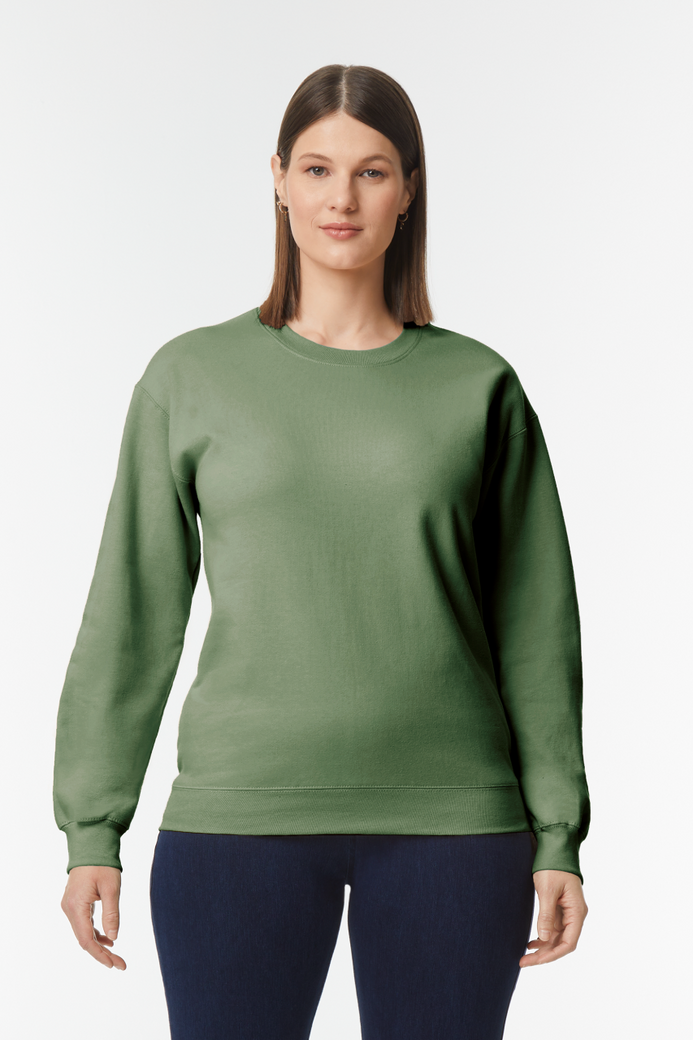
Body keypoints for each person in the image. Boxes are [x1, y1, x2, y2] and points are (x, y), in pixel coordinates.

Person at [54, 64, 590, 1039]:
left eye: (371, 171)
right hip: (237, 818)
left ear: (408, 189)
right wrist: (94, 825)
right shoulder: (191, 377)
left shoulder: (477, 386)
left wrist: (558, 834)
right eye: (317, 168)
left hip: (455, 824)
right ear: (278, 179)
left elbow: (535, 628)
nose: (342, 197)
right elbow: (131, 613)